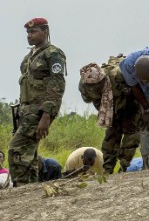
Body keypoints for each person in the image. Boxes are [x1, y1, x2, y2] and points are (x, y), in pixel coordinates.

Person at [9, 18, 66, 186]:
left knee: (16, 149)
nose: (29, 35)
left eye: (34, 32)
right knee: (29, 152)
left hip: (39, 111)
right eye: (28, 32)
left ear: (45, 32)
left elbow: (57, 84)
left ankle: (21, 187)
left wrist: (46, 115)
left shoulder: (53, 53)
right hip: (26, 111)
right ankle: (31, 189)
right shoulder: (30, 56)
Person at [78, 56, 142, 173]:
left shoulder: (119, 76)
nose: (94, 90)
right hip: (110, 108)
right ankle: (107, 169)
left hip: (131, 105)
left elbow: (138, 91)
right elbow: (93, 101)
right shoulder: (84, 85)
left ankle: (124, 166)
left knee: (131, 135)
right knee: (111, 136)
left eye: (97, 87)